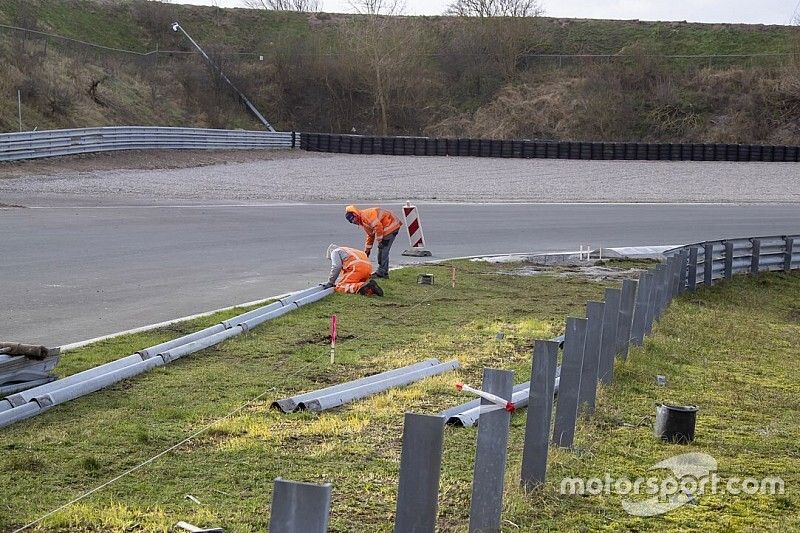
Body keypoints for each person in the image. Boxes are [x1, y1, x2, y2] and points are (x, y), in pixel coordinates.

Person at [344, 205, 403, 279]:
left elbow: (378, 227)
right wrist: (367, 251)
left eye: (353, 220)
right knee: (382, 250)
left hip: (390, 226)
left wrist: (379, 240)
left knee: (383, 250)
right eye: (351, 222)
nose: (354, 222)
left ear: (355, 215)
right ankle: (382, 272)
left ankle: (382, 273)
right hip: (388, 226)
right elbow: (370, 235)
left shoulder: (365, 216)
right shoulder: (362, 221)